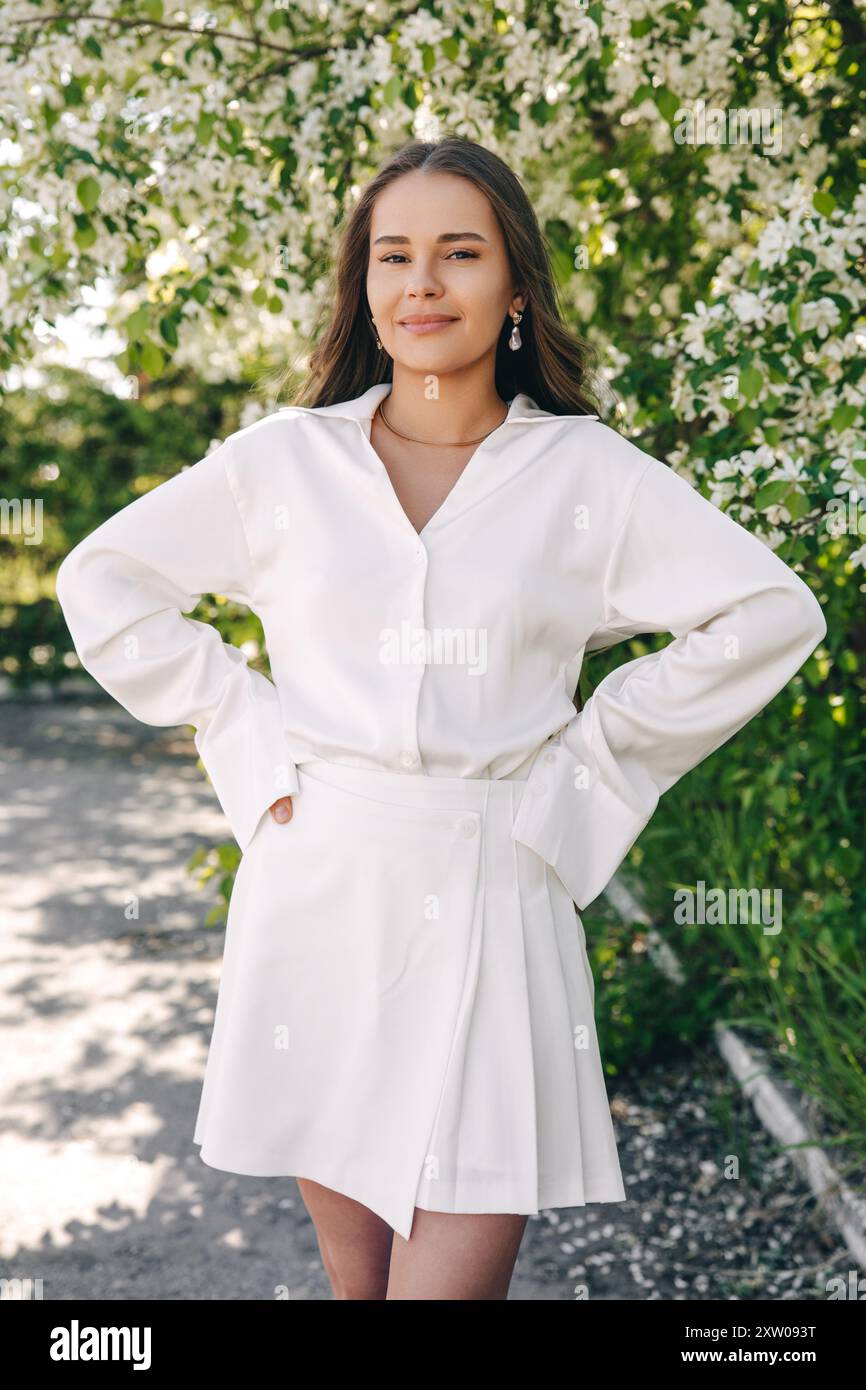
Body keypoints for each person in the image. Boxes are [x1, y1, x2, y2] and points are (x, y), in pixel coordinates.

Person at [55, 136, 826, 1301]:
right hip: (318, 887)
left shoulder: (586, 477)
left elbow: (767, 611)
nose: (421, 283)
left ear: (513, 285)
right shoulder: (283, 464)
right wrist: (242, 729)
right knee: (356, 1289)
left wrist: (585, 771)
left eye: (457, 253)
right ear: (363, 287)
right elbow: (101, 582)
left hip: (493, 889)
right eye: (392, 255)